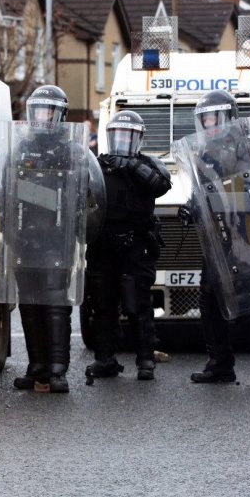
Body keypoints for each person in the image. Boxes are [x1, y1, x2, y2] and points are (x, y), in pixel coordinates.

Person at [178, 90, 250, 385]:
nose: (209, 125)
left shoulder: (245, 149)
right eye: (204, 120)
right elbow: (204, 192)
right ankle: (220, 362)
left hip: (245, 232)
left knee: (243, 295)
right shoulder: (204, 152)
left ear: (227, 117)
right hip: (217, 233)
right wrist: (192, 208)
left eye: (213, 119)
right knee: (209, 298)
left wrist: (215, 202)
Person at [84, 110, 171, 381]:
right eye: (118, 135)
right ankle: (105, 359)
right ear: (110, 136)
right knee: (102, 304)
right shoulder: (97, 165)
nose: (122, 140)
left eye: (128, 136)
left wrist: (132, 166)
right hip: (102, 243)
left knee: (137, 303)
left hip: (136, 245)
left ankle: (145, 360)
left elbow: (160, 185)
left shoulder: (146, 165)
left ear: (139, 139)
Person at [10, 85, 77, 393]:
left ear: (59, 115)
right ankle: (36, 365)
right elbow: (6, 191)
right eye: (38, 110)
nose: (42, 117)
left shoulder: (70, 150)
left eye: (48, 111)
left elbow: (80, 195)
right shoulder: (20, 149)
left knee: (54, 303)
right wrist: (7, 226)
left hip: (56, 239)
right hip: (25, 239)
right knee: (29, 303)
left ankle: (58, 368)